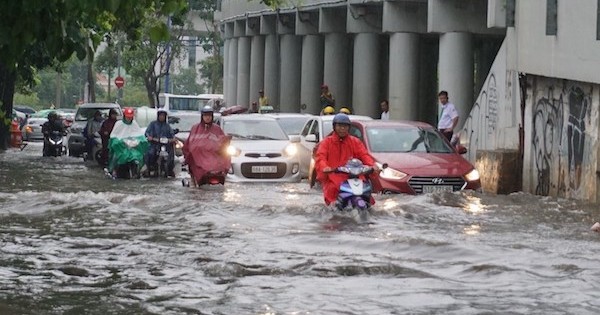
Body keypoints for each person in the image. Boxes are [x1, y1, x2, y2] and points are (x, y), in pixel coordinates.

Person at [315, 113, 378, 206]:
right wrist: (325, 167)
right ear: (334, 127)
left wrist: (373, 165)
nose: (343, 129)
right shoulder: (326, 143)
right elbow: (321, 157)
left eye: (345, 126)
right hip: (334, 177)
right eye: (340, 126)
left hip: (355, 177)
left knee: (368, 193)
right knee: (332, 191)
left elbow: (364, 155)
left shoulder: (355, 142)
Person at [183, 106, 231, 187]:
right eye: (205, 116)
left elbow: (222, 141)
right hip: (198, 160)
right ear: (202, 116)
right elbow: (189, 144)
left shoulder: (217, 129)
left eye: (209, 116)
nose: (207, 118)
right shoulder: (195, 128)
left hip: (214, 160)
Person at [108, 108, 148, 178]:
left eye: (130, 117)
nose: (129, 118)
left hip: (133, 148)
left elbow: (141, 136)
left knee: (140, 156)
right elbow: (113, 137)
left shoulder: (134, 124)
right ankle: (113, 170)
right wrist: (119, 142)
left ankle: (140, 171)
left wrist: (140, 141)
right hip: (121, 148)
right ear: (124, 116)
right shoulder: (118, 124)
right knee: (116, 156)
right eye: (127, 117)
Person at [144, 109, 176, 177]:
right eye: (161, 115)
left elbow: (172, 134)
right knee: (151, 153)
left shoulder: (167, 126)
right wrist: (150, 137)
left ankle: (170, 168)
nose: (162, 117)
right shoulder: (153, 124)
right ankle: (150, 167)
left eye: (163, 116)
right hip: (155, 144)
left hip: (165, 145)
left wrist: (173, 139)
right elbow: (147, 133)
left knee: (171, 154)